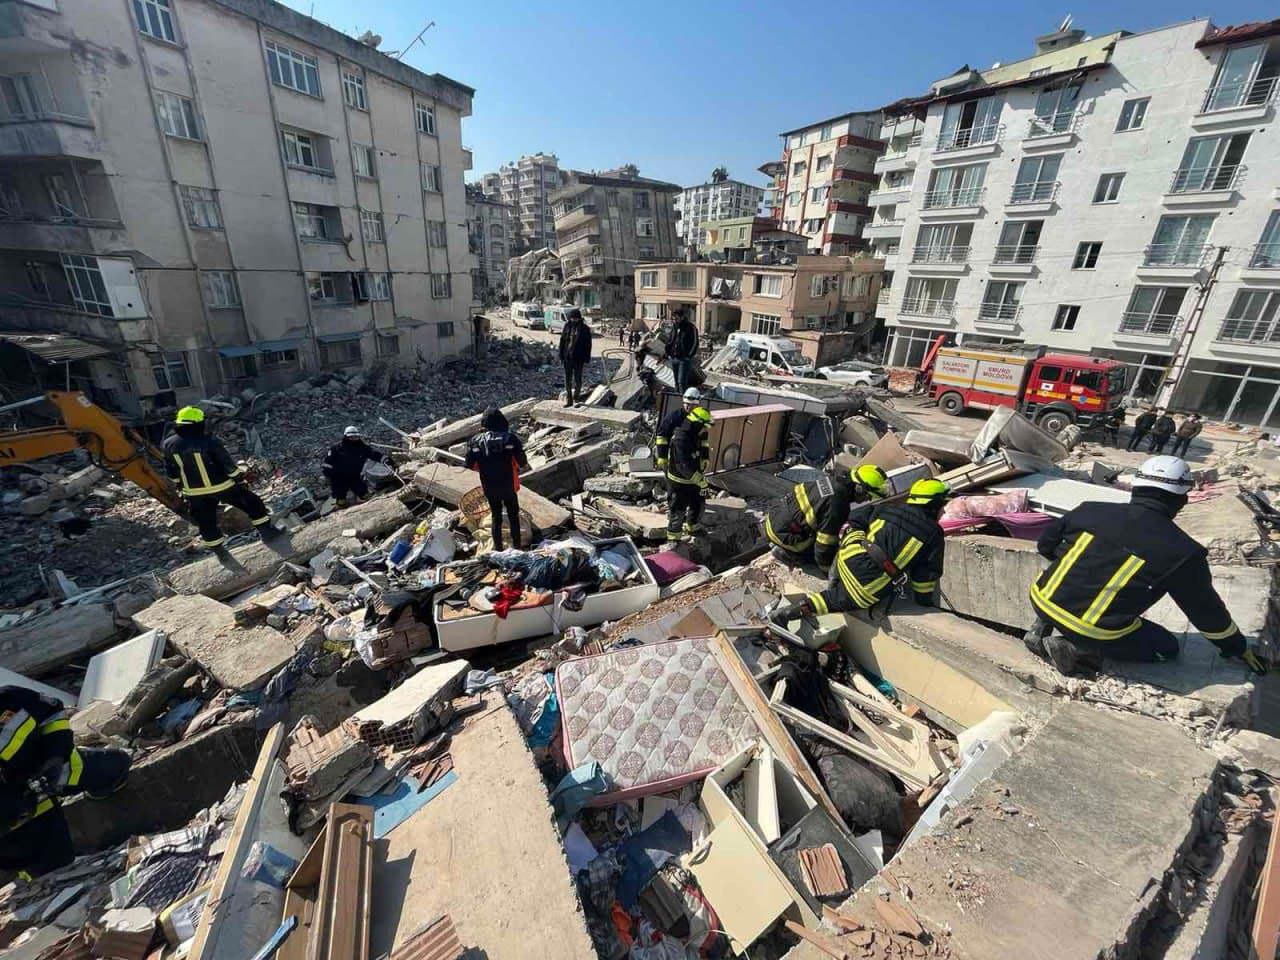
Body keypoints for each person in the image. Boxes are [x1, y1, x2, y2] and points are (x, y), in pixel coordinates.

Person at [1024, 455, 1267, 676]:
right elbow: (1205, 612)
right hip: (1092, 629)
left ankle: (1045, 623)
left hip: (1041, 597)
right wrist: (1236, 646)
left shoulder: (1091, 509)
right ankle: (1077, 649)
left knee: (1075, 593)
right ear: (1182, 500)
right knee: (1167, 648)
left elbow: (1045, 546)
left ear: (1136, 487)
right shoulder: (1183, 552)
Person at [769, 478, 950, 623]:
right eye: (943, 505)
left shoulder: (887, 508)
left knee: (840, 582)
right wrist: (924, 602)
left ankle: (833, 578)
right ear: (934, 505)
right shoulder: (933, 533)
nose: (943, 510)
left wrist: (855, 539)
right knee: (834, 600)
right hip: (866, 586)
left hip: (846, 558)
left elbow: (855, 519)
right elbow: (926, 576)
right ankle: (792, 612)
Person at [0, 686, 130, 878]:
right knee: (55, 871)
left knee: (116, 764)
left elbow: (53, 717)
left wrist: (55, 757)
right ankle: (31, 868)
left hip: (50, 771)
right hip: (17, 813)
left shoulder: (9, 697)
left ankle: (98, 788)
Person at [164, 406, 284, 554]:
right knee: (253, 503)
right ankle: (268, 533)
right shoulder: (209, 440)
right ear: (198, 423)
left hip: (194, 492)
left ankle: (219, 551)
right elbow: (226, 464)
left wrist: (179, 485)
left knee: (206, 521)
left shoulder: (169, 444)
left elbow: (171, 470)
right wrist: (239, 478)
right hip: (221, 486)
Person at [765, 464, 890, 569]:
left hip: (776, 517)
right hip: (784, 534)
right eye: (868, 496)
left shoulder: (834, 481)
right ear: (859, 489)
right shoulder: (838, 503)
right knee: (827, 550)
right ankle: (787, 554)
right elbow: (825, 544)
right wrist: (827, 570)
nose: (867, 499)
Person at [465, 406, 529, 551]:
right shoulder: (510, 438)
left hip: (489, 485)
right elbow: (522, 462)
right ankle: (517, 548)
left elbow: (470, 465)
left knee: (496, 517)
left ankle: (498, 549)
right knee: (513, 516)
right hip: (508, 484)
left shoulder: (474, 441)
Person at [654, 388, 711, 543]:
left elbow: (704, 440)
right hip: (678, 467)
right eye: (686, 404)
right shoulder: (675, 418)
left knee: (697, 502)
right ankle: (674, 538)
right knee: (677, 505)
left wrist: (705, 456)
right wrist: (661, 456)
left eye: (691, 405)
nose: (688, 407)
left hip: (692, 466)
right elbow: (662, 436)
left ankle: (693, 526)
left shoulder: (700, 419)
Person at [321, 426, 385, 506]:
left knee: (365, 494)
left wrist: (384, 459)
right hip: (339, 478)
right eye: (351, 437)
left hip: (355, 477)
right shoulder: (336, 449)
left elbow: (374, 454)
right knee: (341, 499)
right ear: (346, 437)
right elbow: (327, 463)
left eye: (356, 437)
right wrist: (329, 474)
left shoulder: (362, 447)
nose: (354, 439)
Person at [558, 308, 592, 407]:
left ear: (579, 319)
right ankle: (569, 400)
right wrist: (561, 354)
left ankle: (576, 398)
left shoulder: (585, 329)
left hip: (578, 358)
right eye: (572, 319)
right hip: (567, 357)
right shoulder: (567, 326)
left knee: (577, 380)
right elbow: (562, 341)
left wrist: (587, 357)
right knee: (567, 380)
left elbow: (588, 344)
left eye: (575, 319)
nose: (574, 320)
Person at [667, 308, 699, 394]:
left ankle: (683, 401)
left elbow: (695, 343)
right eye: (673, 319)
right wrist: (668, 352)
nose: (674, 320)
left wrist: (688, 356)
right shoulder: (674, 327)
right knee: (676, 382)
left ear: (682, 317)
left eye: (676, 318)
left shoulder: (690, 327)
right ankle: (676, 399)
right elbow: (670, 340)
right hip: (674, 358)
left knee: (682, 382)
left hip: (684, 360)